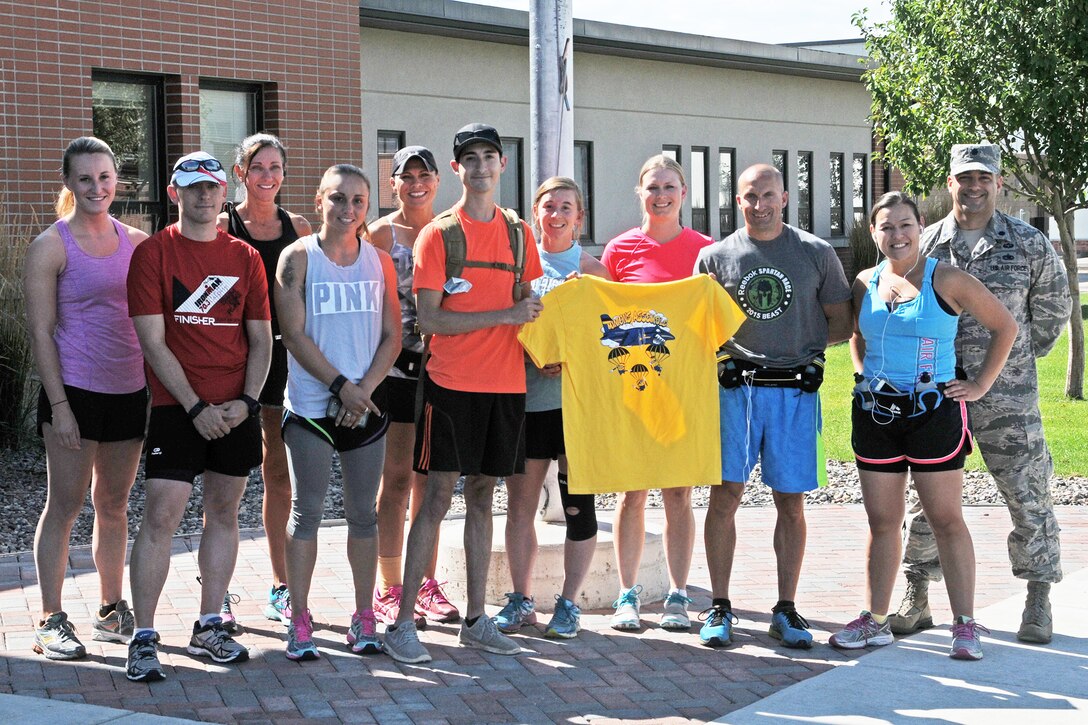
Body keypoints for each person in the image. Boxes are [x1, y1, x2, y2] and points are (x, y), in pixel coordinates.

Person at [891, 143, 1072, 644]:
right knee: (927, 498)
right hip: (937, 393)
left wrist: (1011, 366)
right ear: (949, 183)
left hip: (1007, 397)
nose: (973, 188)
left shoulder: (1028, 243)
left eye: (983, 179)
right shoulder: (924, 243)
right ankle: (918, 593)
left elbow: (1052, 311)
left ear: (997, 184)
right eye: (963, 179)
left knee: (1026, 491)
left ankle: (1038, 598)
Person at [829, 192, 1016, 661]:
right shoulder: (864, 282)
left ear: (921, 226)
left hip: (934, 414)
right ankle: (874, 620)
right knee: (882, 521)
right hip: (876, 416)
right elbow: (856, 334)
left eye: (905, 225)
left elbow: (1004, 326)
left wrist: (978, 385)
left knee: (946, 520)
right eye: (887, 227)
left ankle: (965, 624)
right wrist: (860, 374)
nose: (897, 235)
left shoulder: (946, 278)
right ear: (874, 233)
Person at [382, 123, 543, 664]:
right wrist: (506, 315)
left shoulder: (520, 234)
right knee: (433, 500)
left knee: (482, 497)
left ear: (502, 165)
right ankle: (403, 623)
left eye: (488, 157)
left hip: (506, 386)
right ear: (457, 169)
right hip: (449, 387)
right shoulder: (440, 234)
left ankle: (475, 619)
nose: (479, 167)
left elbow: (531, 307)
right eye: (468, 159)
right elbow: (429, 320)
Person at [124, 151, 272, 682]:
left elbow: (260, 340)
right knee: (161, 516)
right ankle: (143, 637)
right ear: (174, 193)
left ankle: (210, 624)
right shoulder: (153, 254)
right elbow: (152, 342)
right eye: (193, 188)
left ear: (222, 193)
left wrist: (247, 403)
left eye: (212, 187)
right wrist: (194, 408)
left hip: (235, 410)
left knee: (224, 514)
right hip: (176, 408)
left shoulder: (246, 258)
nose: (204, 196)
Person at [695, 163, 852, 649]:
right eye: (749, 196)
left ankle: (786, 608)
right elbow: (699, 330)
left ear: (785, 198)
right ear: (736, 201)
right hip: (736, 392)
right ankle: (719, 605)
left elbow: (842, 324)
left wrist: (800, 350)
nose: (759, 204)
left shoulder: (816, 253)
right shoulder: (713, 258)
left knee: (791, 500)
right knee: (725, 496)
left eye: (768, 195)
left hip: (795, 394)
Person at [24, 137, 149, 660]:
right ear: (68, 183)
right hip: (73, 391)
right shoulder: (51, 245)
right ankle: (51, 619)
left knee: (114, 505)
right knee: (66, 505)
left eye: (105, 177)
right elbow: (40, 331)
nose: (97, 188)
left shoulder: (140, 242)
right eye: (85, 179)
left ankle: (110, 608)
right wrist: (59, 407)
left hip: (129, 391)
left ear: (115, 180)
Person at [274, 164, 400, 660]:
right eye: (338, 199)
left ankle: (363, 616)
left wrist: (363, 389)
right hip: (311, 406)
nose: (347, 210)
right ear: (319, 199)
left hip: (363, 406)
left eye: (358, 201)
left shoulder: (380, 262)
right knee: (306, 513)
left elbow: (393, 335)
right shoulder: (296, 258)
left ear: (367, 207)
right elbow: (294, 334)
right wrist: (339, 386)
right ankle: (300, 619)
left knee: (363, 516)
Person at [600, 154, 713, 632]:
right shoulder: (619, 251)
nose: (661, 195)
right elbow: (604, 321)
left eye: (669, 187)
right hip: (633, 388)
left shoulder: (706, 250)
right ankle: (627, 595)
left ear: (684, 193)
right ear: (639, 193)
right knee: (632, 491)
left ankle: (677, 595)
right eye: (652, 187)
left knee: (678, 493)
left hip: (685, 388)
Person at [493, 177, 610, 639]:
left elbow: (613, 345)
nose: (557, 214)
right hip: (525, 403)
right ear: (535, 214)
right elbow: (503, 329)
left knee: (581, 507)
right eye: (548, 207)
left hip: (578, 409)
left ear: (580, 217)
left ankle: (569, 602)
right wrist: (532, 355)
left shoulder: (595, 271)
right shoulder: (517, 267)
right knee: (519, 507)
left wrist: (573, 355)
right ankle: (521, 600)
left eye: (567, 207)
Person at [216, 133, 312, 630]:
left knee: (278, 474)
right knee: (227, 482)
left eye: (276, 167)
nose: (268, 177)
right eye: (258, 168)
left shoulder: (298, 228)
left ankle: (280, 584)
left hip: (281, 365)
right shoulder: (221, 226)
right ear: (241, 174)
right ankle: (220, 590)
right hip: (231, 365)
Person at [367, 146, 459, 627]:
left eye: (425, 175)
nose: (416, 183)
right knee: (397, 480)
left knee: (433, 481)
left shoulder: (451, 230)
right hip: (396, 373)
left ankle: (425, 580)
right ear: (394, 183)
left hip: (445, 371)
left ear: (438, 180)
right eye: (408, 176)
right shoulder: (380, 234)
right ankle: (389, 586)